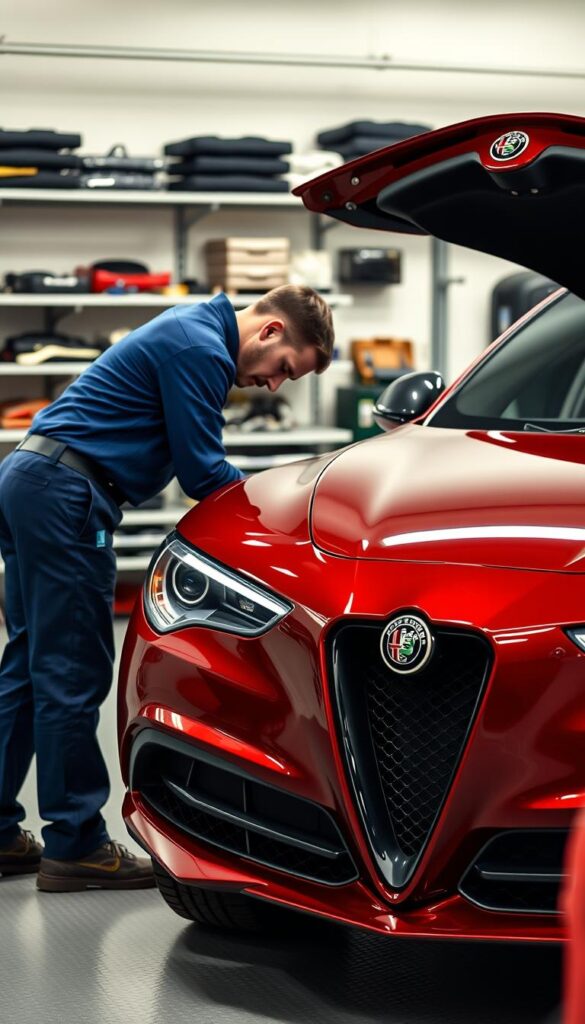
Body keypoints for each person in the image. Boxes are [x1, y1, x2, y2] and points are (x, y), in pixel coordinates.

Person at [0, 285, 334, 892]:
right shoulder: (201, 347)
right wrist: (287, 511)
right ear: (270, 332)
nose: (274, 386)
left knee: (28, 668)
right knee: (71, 674)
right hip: (68, 494)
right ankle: (76, 843)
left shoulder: (187, 327)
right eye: (285, 369)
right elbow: (204, 472)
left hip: (32, 477)